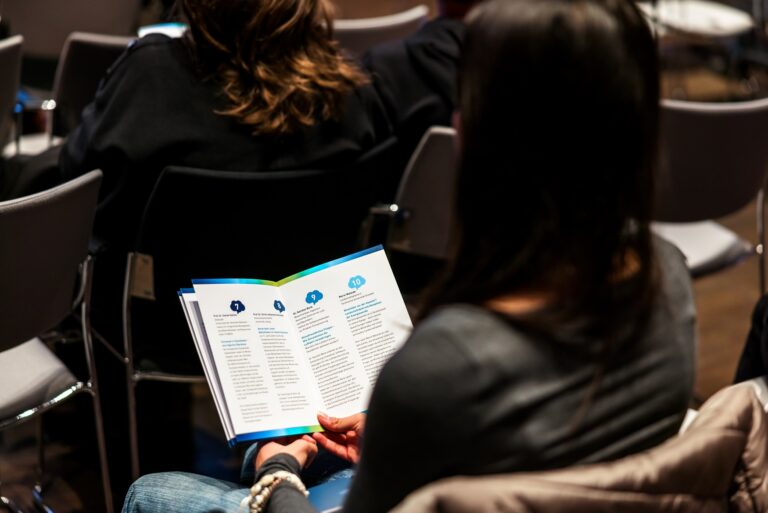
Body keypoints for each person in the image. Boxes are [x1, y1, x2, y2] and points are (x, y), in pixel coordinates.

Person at [122, 0, 696, 512]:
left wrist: (278, 469)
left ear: (492, 145)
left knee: (151, 493)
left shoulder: (444, 362)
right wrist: (401, 435)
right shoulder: (669, 279)